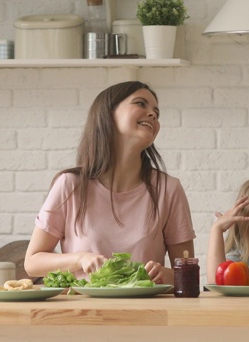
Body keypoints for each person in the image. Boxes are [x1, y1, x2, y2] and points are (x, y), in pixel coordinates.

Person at [24, 81, 196, 285]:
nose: (152, 114)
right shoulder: (70, 185)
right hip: (82, 312)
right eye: (140, 104)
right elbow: (33, 262)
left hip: (146, 312)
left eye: (156, 112)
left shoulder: (169, 190)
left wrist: (165, 275)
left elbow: (188, 274)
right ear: (108, 114)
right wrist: (80, 258)